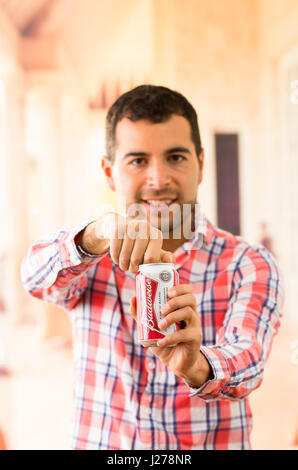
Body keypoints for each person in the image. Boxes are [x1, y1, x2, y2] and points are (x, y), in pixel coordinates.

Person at [21, 85, 283, 450]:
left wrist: (196, 365)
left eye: (175, 157)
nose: (158, 180)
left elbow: (249, 360)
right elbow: (33, 279)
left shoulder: (249, 264)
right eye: (138, 160)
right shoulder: (89, 259)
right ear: (110, 173)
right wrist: (96, 235)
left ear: (200, 164)